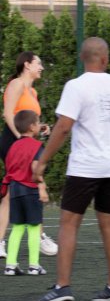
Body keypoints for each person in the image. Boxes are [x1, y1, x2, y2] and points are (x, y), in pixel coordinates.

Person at [32, 37, 110, 301]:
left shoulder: (75, 87)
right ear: (106, 59)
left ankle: (63, 286)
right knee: (109, 225)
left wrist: (42, 161)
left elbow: (63, 126)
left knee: (69, 224)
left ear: (83, 58)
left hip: (85, 167)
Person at [1, 52, 57, 261]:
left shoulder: (32, 92)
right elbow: (8, 114)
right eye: (38, 63)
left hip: (25, 143)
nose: (42, 67)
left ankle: (38, 236)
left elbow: (27, 121)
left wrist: (39, 128)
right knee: (15, 191)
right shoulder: (16, 84)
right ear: (27, 65)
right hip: (13, 142)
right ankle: (36, 237)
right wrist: (20, 139)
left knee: (27, 188)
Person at [2, 110, 50, 276]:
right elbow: (35, 168)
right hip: (30, 189)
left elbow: (9, 168)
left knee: (17, 227)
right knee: (34, 227)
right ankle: (34, 265)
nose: (39, 125)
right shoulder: (36, 146)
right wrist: (42, 188)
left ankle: (10, 265)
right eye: (37, 123)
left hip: (14, 189)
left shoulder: (13, 147)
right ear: (31, 127)